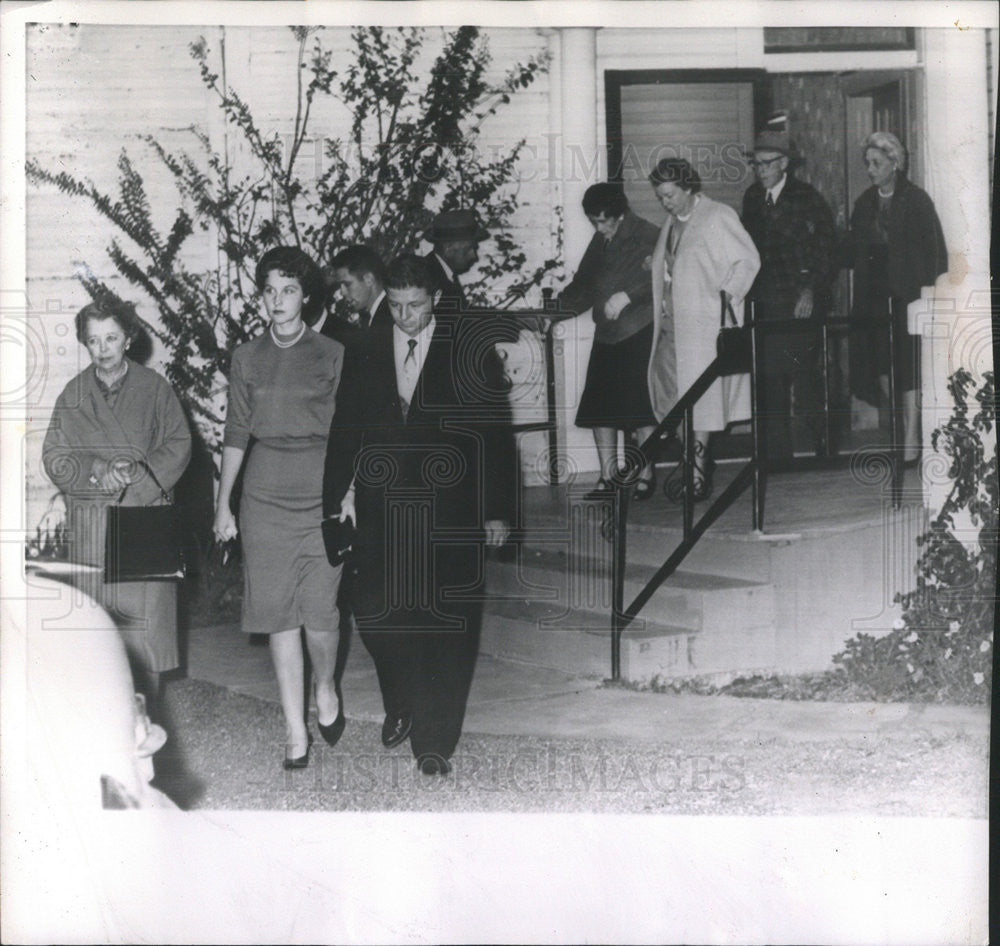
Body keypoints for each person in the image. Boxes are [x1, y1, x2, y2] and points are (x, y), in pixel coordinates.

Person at [323, 254, 516, 776]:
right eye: (398, 305)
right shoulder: (363, 351)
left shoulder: (469, 352)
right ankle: (403, 695)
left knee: (448, 625)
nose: (406, 316)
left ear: (435, 300)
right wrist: (331, 502)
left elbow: (494, 435)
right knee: (375, 611)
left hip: (451, 509)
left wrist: (497, 509)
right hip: (382, 509)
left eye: (417, 306)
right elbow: (346, 432)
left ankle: (434, 740)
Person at [213, 246, 346, 770]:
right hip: (263, 497)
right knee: (277, 617)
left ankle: (327, 688)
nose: (277, 300)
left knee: (321, 615)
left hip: (320, 496)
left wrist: (350, 495)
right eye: (268, 290)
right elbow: (236, 433)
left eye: (288, 289)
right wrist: (224, 505)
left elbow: (347, 433)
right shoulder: (246, 357)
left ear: (305, 294)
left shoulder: (332, 353)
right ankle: (295, 730)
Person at [42, 298, 192, 718]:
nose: (103, 348)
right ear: (85, 344)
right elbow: (55, 455)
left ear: (129, 338)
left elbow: (179, 444)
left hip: (143, 517)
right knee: (101, 633)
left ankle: (146, 728)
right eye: (94, 341)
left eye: (111, 338)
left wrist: (140, 474)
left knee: (144, 636)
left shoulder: (155, 389)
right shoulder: (72, 395)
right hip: (94, 525)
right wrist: (95, 470)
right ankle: (104, 725)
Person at [646, 157, 760, 500]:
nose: (665, 202)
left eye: (670, 195)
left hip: (703, 327)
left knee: (701, 401)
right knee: (673, 398)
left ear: (688, 187)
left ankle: (696, 473)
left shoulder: (717, 215)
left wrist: (726, 294)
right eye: (660, 197)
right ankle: (692, 463)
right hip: (672, 327)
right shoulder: (673, 222)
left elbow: (747, 260)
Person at [844, 131, 947, 464]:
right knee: (881, 364)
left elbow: (935, 254)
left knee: (907, 366)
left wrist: (924, 294)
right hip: (873, 298)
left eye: (877, 163)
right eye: (867, 163)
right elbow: (852, 249)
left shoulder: (916, 200)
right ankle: (899, 429)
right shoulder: (864, 203)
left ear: (895, 162)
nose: (870, 169)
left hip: (906, 298)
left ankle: (911, 434)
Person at [556, 182, 660, 499]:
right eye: (594, 221)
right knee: (602, 410)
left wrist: (629, 296)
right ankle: (608, 476)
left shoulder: (649, 234)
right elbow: (584, 284)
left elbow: (663, 279)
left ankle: (644, 472)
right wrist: (552, 312)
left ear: (621, 213)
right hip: (607, 335)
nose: (600, 228)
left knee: (643, 409)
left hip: (639, 331)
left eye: (605, 221)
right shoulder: (600, 240)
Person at [741, 130, 838, 462]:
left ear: (784, 164)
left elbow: (826, 251)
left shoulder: (806, 198)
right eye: (756, 164)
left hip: (800, 302)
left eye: (766, 164)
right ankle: (778, 454)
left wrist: (810, 291)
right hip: (765, 301)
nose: (760, 170)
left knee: (804, 376)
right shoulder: (752, 198)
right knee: (769, 379)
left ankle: (822, 445)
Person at [321, 244, 391, 346]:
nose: (343, 292)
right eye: (340, 285)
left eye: (347, 284)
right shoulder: (377, 317)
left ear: (369, 279)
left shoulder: (389, 319)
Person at [421, 208, 490, 312]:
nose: (473, 256)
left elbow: (460, 313)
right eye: (468, 249)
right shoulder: (425, 278)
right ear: (448, 248)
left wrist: (507, 318)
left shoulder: (441, 271)